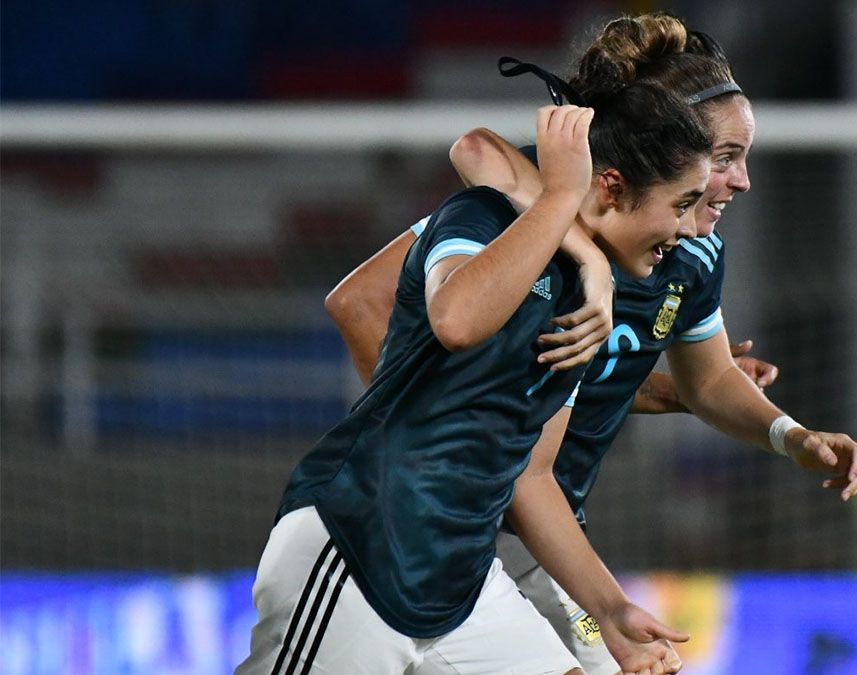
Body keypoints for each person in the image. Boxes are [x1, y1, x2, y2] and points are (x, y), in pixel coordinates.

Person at [326, 14, 857, 675]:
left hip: (534, 524)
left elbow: (704, 379)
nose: (742, 180)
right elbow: (373, 296)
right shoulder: (527, 217)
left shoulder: (689, 256)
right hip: (467, 516)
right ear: (660, 153)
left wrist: (790, 435)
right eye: (726, 158)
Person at [238, 79, 715, 674]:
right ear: (614, 188)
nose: (693, 229)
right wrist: (561, 196)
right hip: (363, 544)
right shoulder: (481, 215)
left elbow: (533, 476)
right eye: (681, 203)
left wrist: (612, 608)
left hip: (461, 575)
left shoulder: (588, 301)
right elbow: (456, 319)